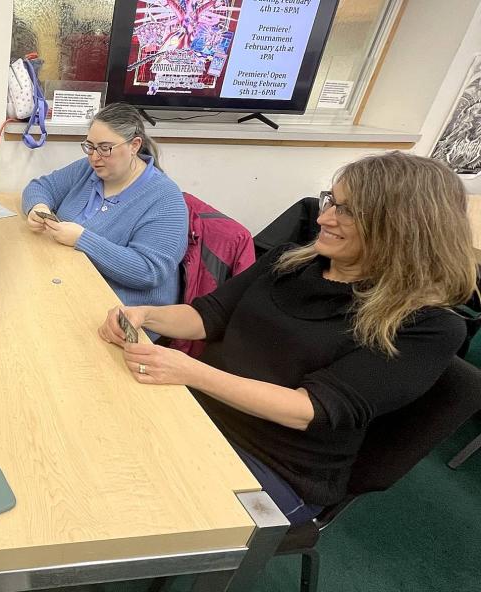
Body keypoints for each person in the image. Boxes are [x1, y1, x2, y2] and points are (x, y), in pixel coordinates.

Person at [98, 151, 477, 525]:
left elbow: (306, 411)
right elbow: (207, 316)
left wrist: (192, 373)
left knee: (113, 496)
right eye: (331, 201)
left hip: (275, 465)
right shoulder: (289, 262)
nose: (324, 217)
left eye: (346, 210)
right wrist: (147, 315)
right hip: (200, 412)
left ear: (400, 225)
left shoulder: (427, 327)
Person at [22, 102, 188, 321]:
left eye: (105, 148)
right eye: (90, 146)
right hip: (64, 285)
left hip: (119, 315)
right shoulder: (90, 169)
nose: (94, 157)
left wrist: (82, 239)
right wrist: (38, 207)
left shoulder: (165, 199)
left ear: (134, 145)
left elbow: (149, 271)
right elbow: (41, 187)